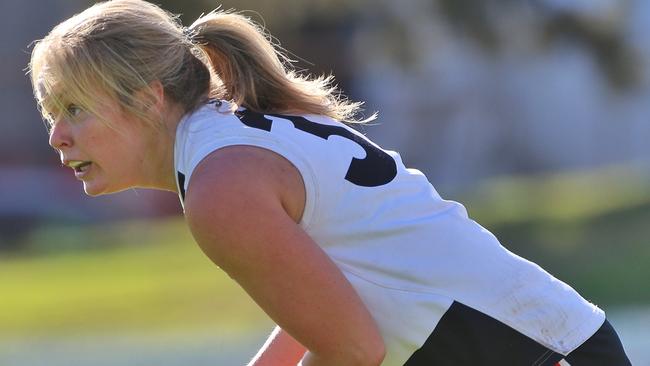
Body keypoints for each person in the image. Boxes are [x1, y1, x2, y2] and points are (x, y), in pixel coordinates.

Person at [28, 1, 631, 365]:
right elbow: (320, 309)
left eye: (74, 109)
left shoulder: (220, 185)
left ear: (147, 99)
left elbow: (353, 351)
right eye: (53, 114)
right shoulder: (230, 137)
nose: (58, 136)